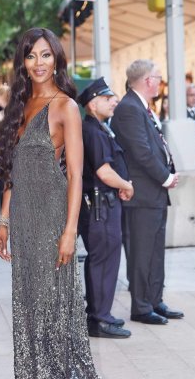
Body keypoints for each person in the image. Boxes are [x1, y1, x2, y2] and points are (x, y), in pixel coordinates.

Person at [0, 28, 99, 378]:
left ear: (56, 59)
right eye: (31, 55)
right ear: (22, 62)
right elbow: (12, 170)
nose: (38, 62)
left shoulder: (66, 106)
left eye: (45, 55)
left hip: (52, 219)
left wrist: (70, 232)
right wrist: (4, 221)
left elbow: (75, 175)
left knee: (53, 307)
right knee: (29, 306)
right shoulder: (19, 104)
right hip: (23, 221)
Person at [111, 59, 184, 325]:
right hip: (141, 195)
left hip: (152, 193)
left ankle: (155, 300)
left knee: (154, 251)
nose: (161, 81)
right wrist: (165, 177)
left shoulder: (141, 107)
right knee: (141, 252)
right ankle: (141, 307)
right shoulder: (129, 109)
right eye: (158, 77)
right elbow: (141, 152)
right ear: (147, 80)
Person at [77, 78, 133, 339]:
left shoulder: (97, 128)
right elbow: (104, 171)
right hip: (100, 207)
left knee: (103, 261)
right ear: (92, 102)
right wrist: (126, 185)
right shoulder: (93, 131)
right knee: (103, 261)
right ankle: (99, 319)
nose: (114, 101)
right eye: (108, 97)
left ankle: (100, 315)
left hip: (103, 205)